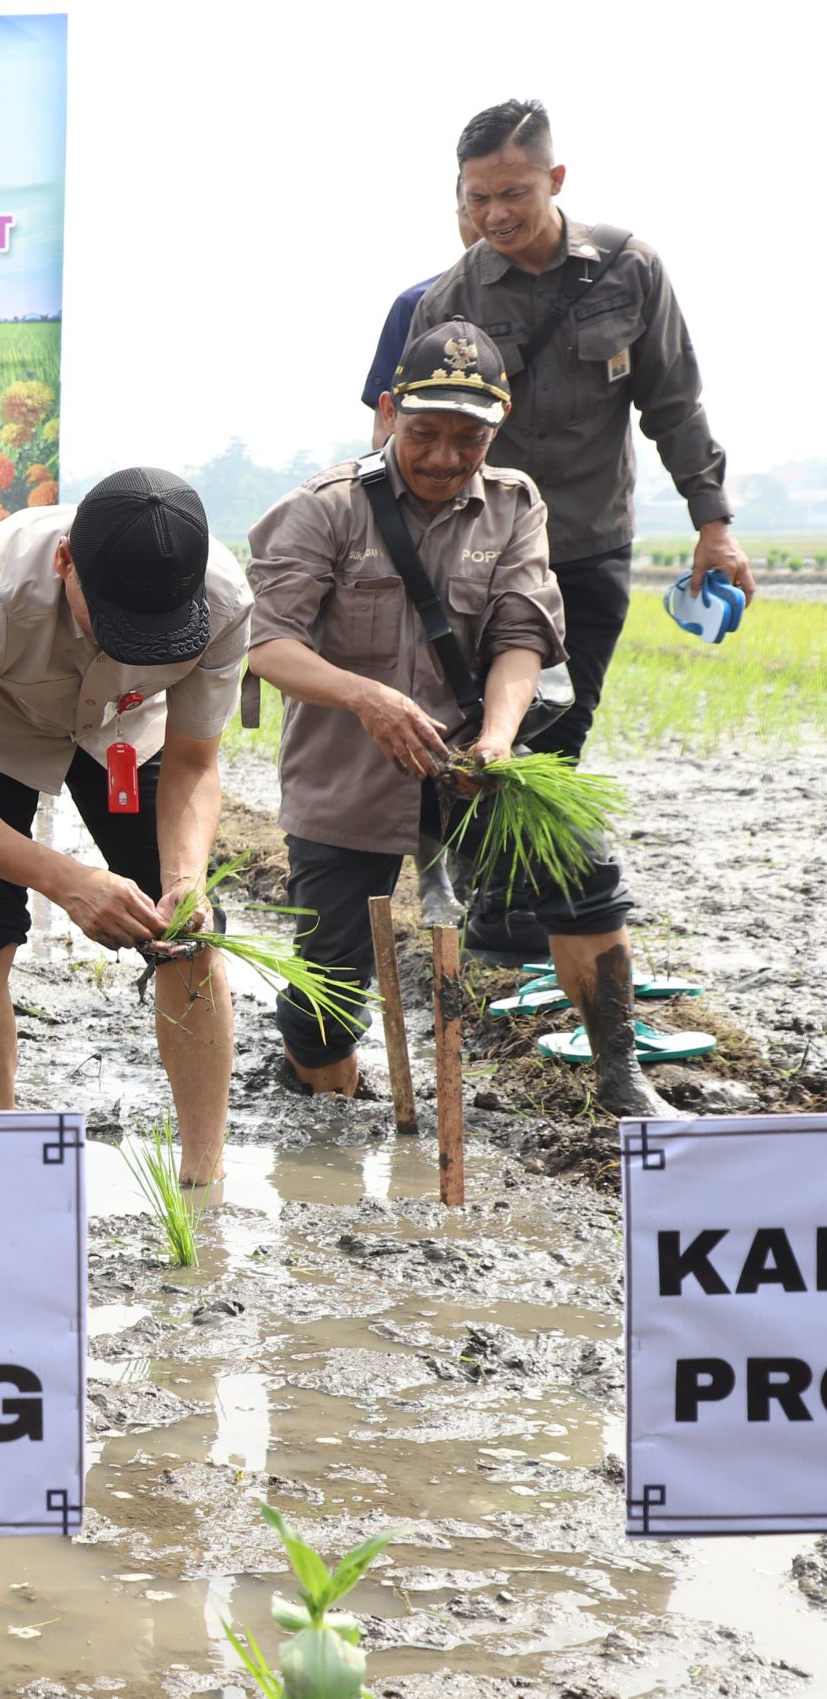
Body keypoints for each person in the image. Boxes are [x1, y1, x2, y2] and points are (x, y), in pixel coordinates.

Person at [245, 319, 668, 1116]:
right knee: (326, 994)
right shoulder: (326, 510)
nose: (444, 457)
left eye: (467, 438)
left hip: (474, 766)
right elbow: (266, 642)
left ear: (496, 429)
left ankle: (623, 1078)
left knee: (588, 879)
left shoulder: (514, 506)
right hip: (347, 776)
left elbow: (521, 637)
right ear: (388, 413)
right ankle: (326, 1110)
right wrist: (365, 697)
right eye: (424, 433)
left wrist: (498, 741)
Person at [410, 99, 751, 955]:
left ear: (554, 179)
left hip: (590, 545)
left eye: (514, 192)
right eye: (479, 197)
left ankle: (511, 900)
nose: (496, 215)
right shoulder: (451, 298)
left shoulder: (630, 268)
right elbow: (417, 435)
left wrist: (713, 525)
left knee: (562, 726)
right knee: (483, 726)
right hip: (482, 553)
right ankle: (501, 904)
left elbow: (675, 405)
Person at [0, 469, 250, 1183]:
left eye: (155, 634)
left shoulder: (223, 598)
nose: (130, 646)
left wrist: (183, 877)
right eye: (115, 623)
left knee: (189, 940)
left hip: (129, 732)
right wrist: (70, 883)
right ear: (65, 562)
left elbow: (191, 764)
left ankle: (203, 1176)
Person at [363, 180, 484, 442]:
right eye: (471, 209)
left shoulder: (579, 287)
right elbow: (385, 433)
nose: (487, 220)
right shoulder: (418, 305)